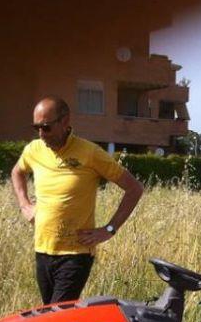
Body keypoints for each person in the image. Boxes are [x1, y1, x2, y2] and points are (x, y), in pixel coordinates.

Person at [11, 97, 144, 304]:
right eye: (36, 127)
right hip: (43, 249)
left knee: (57, 316)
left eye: (46, 127)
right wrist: (24, 204)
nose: (41, 134)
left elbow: (134, 188)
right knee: (49, 314)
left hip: (76, 253)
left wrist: (108, 230)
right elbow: (17, 172)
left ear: (65, 121)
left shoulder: (90, 153)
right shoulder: (33, 150)